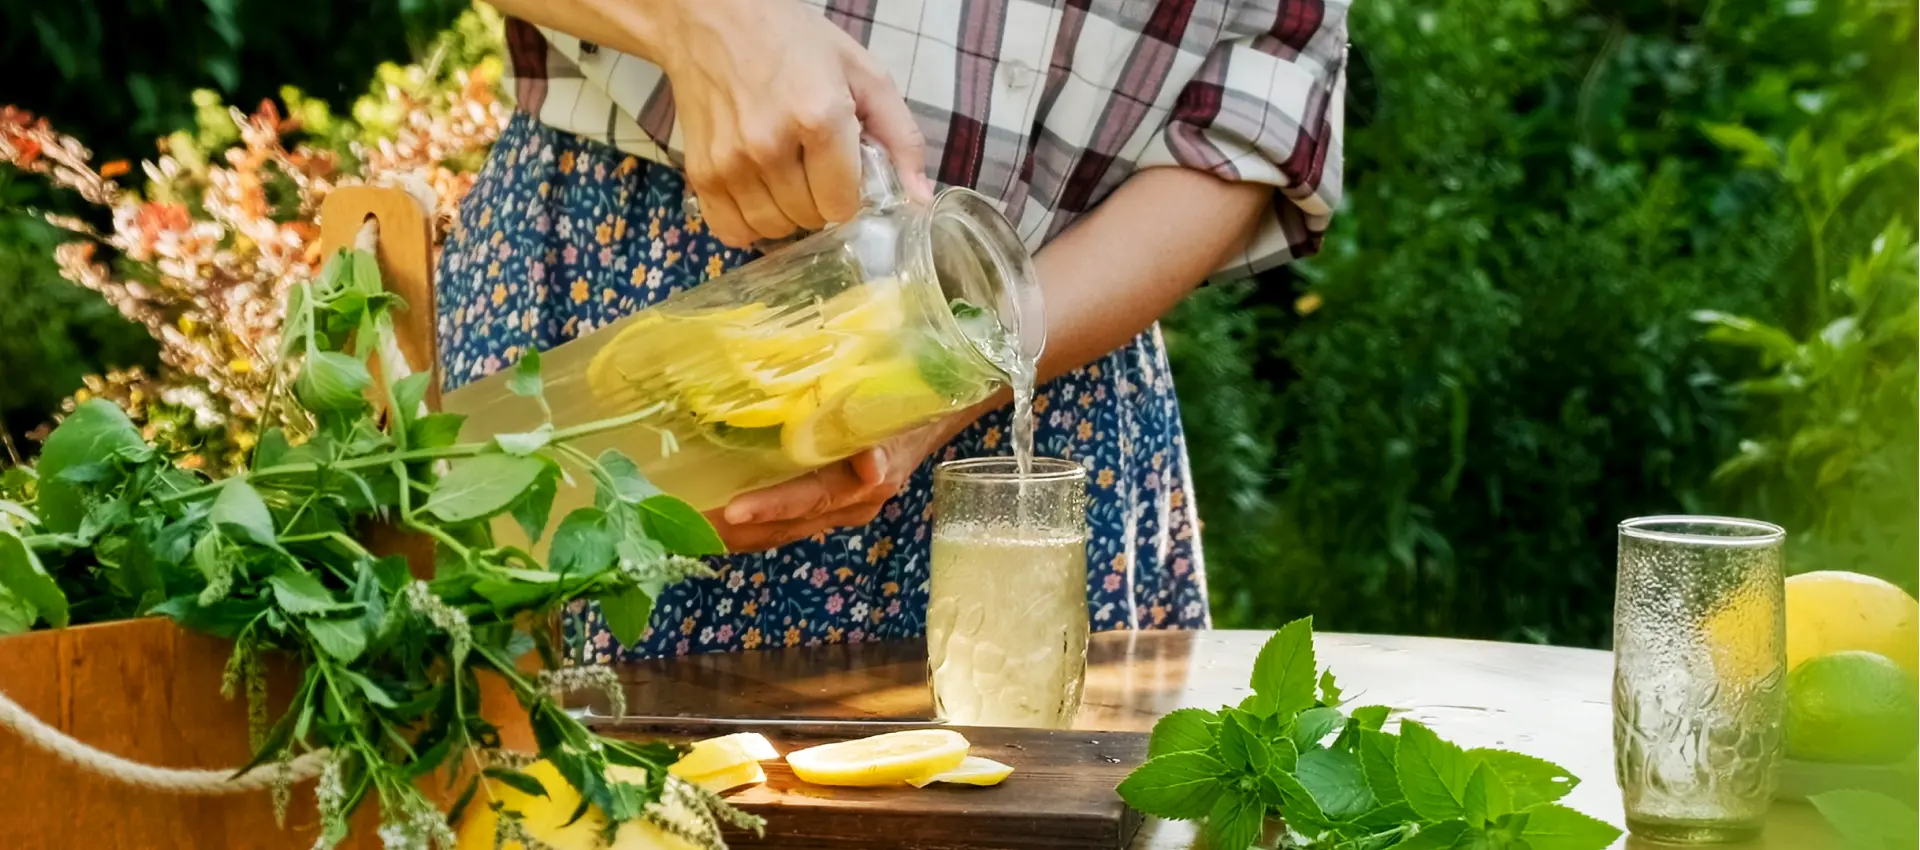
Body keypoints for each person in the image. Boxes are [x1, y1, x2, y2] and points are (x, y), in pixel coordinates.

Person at [441, 0, 1347, 661]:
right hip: (624, 301)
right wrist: (708, 21)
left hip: (1046, 363)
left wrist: (971, 369)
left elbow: (1252, 114)